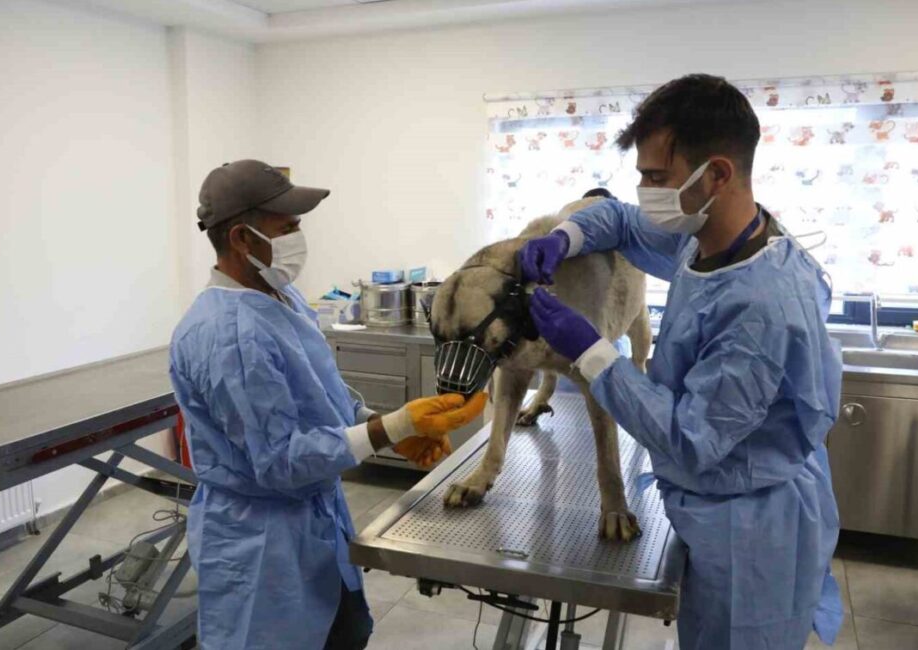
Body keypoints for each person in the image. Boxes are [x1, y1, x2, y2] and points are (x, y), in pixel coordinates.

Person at [519, 75, 843, 649]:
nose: (645, 191)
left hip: (750, 534)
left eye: (655, 178)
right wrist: (567, 236)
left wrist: (592, 350)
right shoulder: (710, 239)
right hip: (718, 507)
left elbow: (693, 437)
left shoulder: (759, 305)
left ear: (716, 173)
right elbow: (618, 221)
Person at [169, 160, 486, 650]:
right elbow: (277, 460)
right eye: (287, 226)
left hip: (315, 525)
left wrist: (390, 431)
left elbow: (324, 407)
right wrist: (391, 428)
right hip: (262, 547)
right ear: (240, 239)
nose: (299, 237)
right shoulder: (229, 336)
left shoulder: (281, 297)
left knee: (346, 631)